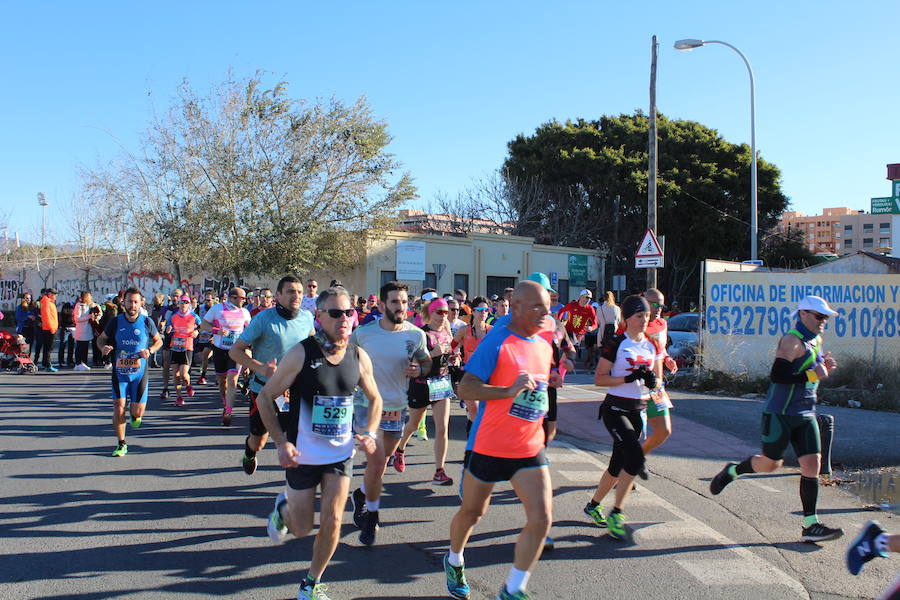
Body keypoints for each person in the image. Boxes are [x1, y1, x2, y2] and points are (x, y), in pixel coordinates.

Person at [256, 286, 382, 600]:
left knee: (334, 519)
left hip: (340, 454)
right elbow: (264, 398)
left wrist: (370, 432)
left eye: (348, 312)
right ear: (320, 316)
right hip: (303, 453)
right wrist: (281, 442)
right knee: (301, 528)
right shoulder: (302, 353)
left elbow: (375, 398)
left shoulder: (357, 355)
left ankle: (311, 583)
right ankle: (284, 509)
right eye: (336, 313)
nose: (344, 319)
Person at [445, 280, 555, 600]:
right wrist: (506, 392)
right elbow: (466, 389)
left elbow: (539, 391)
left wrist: (546, 419)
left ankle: (513, 588)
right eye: (536, 307)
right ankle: (454, 560)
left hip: (528, 447)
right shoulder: (498, 342)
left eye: (546, 308)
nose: (543, 313)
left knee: (542, 518)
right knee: (473, 513)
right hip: (489, 445)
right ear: (516, 308)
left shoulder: (544, 345)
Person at [708, 295, 844, 543]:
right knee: (771, 464)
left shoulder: (816, 340)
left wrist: (825, 365)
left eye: (826, 317)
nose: (824, 321)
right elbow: (778, 375)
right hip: (780, 413)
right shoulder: (791, 341)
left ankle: (810, 524)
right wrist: (813, 375)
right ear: (803, 314)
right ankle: (733, 470)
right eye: (819, 316)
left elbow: (812, 368)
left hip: (805, 413)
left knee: (812, 464)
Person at [349, 281, 431, 546]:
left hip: (397, 407)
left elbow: (426, 360)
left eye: (405, 302)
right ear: (383, 305)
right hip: (366, 407)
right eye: (395, 302)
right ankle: (371, 516)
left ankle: (362, 494)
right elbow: (344, 359)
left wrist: (419, 370)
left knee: (380, 465)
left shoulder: (416, 335)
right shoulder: (363, 334)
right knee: (375, 463)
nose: (401, 307)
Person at [584, 295, 664, 540]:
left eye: (647, 316)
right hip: (615, 410)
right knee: (634, 456)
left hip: (637, 410)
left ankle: (593, 505)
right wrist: (628, 378)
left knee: (616, 466)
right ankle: (616, 513)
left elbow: (658, 380)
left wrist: (653, 381)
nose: (644, 320)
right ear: (627, 318)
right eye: (639, 316)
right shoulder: (617, 343)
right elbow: (599, 378)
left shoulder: (652, 345)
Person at [230, 276, 315, 475]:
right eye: (291, 291)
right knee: (258, 440)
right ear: (278, 295)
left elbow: (312, 345)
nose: (296, 296)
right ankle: (249, 453)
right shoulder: (263, 319)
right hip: (264, 390)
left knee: (295, 439)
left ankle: (296, 487)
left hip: (294, 392)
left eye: (300, 292)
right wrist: (260, 368)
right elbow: (235, 351)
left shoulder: (306, 318)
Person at [396, 297, 459, 486]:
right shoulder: (420, 334)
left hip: (441, 383)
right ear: (430, 313)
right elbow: (411, 362)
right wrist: (433, 353)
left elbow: (447, 357)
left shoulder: (447, 333)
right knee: (413, 425)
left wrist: (453, 360)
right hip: (421, 384)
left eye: (446, 312)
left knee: (442, 428)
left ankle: (439, 471)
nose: (443, 316)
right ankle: (400, 449)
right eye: (439, 312)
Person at [97, 288, 162, 457]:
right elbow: (101, 339)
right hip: (120, 373)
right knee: (119, 408)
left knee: (137, 412)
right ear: (123, 302)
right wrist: (103, 347)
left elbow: (158, 341)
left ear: (141, 303)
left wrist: (150, 350)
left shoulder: (147, 322)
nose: (132, 305)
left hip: (139, 375)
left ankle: (135, 416)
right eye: (129, 301)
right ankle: (121, 443)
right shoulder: (116, 322)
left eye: (135, 302)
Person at [201, 287, 251, 425]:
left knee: (232, 379)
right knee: (222, 382)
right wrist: (216, 330)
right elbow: (204, 324)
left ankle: (229, 410)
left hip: (236, 352)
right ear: (234, 298)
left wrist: (248, 347)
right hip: (219, 350)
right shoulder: (217, 309)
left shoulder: (245, 313)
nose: (245, 301)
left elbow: (250, 331)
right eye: (243, 298)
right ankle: (225, 402)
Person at [452, 296, 492, 434]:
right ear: (473, 312)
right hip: (468, 375)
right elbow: (452, 346)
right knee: (474, 412)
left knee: (483, 413)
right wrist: (455, 355)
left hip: (487, 376)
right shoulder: (464, 330)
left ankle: (478, 445)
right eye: (480, 310)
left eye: (486, 310)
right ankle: (472, 446)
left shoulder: (492, 331)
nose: (483, 313)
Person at [166, 295, 201, 406]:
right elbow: (168, 326)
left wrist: (197, 332)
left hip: (187, 347)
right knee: (175, 375)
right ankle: (179, 397)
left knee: (183, 374)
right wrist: (168, 328)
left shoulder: (193, 316)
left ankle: (188, 385)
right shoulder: (174, 316)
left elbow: (202, 326)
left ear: (189, 304)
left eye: (186, 302)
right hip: (175, 346)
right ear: (179, 303)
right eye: (182, 302)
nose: (183, 304)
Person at [73, 291, 96, 371]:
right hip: (81, 330)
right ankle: (78, 363)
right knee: (80, 347)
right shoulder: (79, 306)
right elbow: (77, 318)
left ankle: (83, 362)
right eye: (89, 296)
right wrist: (88, 317)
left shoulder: (88, 305)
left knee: (85, 347)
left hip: (87, 329)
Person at [38, 288, 59, 372]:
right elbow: (46, 316)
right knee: (48, 348)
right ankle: (47, 364)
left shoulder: (49, 302)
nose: (56, 296)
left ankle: (45, 363)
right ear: (50, 294)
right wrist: (51, 327)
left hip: (50, 327)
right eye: (55, 294)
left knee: (48, 347)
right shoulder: (46, 302)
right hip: (49, 328)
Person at [15, 292, 36, 357]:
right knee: (23, 346)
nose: (28, 299)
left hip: (31, 328)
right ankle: (22, 360)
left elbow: (35, 314)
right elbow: (18, 317)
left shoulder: (32, 307)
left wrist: (34, 317)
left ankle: (28, 360)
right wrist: (27, 317)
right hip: (23, 328)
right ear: (23, 299)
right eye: (27, 298)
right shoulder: (20, 307)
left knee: (30, 344)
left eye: (29, 298)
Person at [57, 301, 75, 368]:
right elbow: (62, 316)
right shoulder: (66, 307)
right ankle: (61, 361)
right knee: (63, 345)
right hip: (65, 328)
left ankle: (69, 360)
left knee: (71, 346)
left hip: (72, 328)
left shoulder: (76, 307)